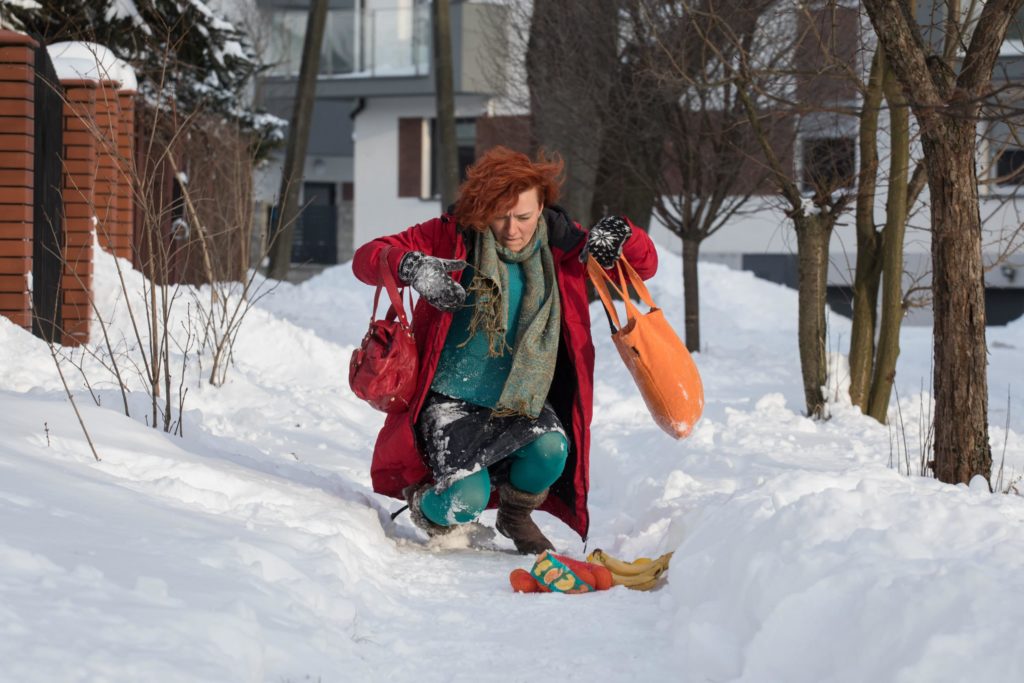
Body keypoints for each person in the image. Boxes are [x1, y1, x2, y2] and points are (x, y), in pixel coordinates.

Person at [352, 146, 658, 553]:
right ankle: (425, 505)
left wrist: (622, 234)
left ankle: (515, 516)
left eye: (524, 216)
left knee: (552, 451)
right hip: (451, 400)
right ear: (481, 208)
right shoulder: (451, 234)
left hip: (520, 396)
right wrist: (412, 266)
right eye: (500, 216)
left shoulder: (565, 245)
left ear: (542, 207)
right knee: (466, 500)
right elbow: (366, 258)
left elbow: (642, 265)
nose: (512, 229)